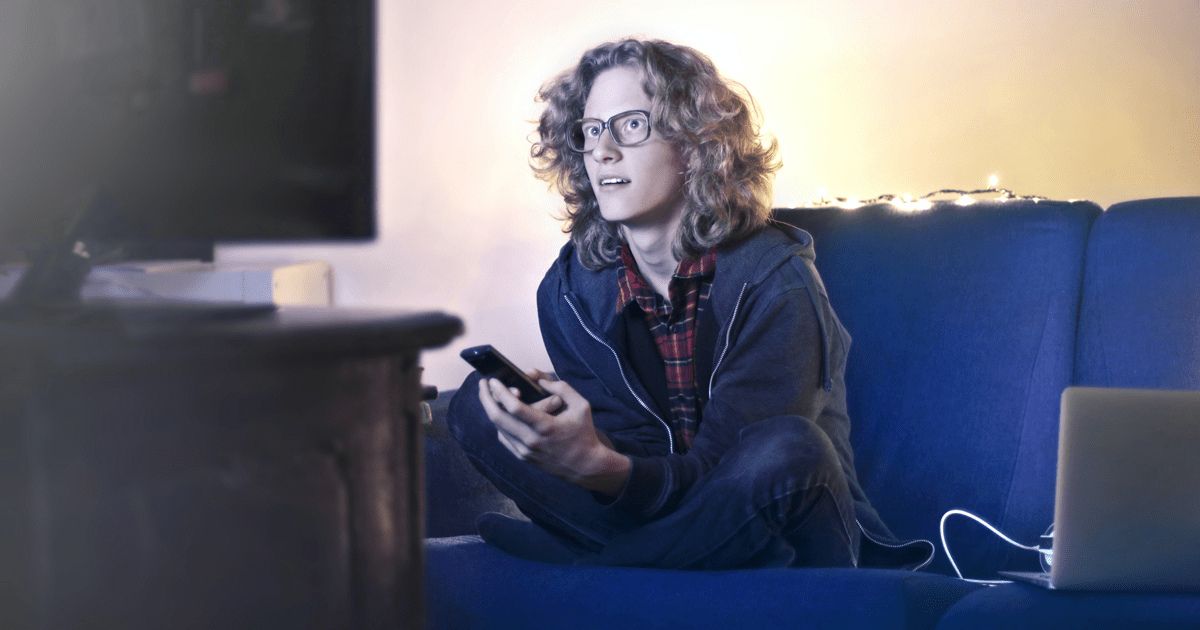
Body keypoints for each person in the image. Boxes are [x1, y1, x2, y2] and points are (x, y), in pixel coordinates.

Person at [447, 38, 934, 570]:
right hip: (657, 515)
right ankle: (640, 562)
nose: (603, 150)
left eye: (631, 125)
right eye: (590, 131)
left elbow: (730, 473)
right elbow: (637, 465)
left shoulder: (776, 284)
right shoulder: (571, 292)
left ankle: (605, 564)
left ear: (696, 144)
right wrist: (580, 444)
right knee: (479, 399)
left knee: (790, 448)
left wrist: (596, 466)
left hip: (783, 536)